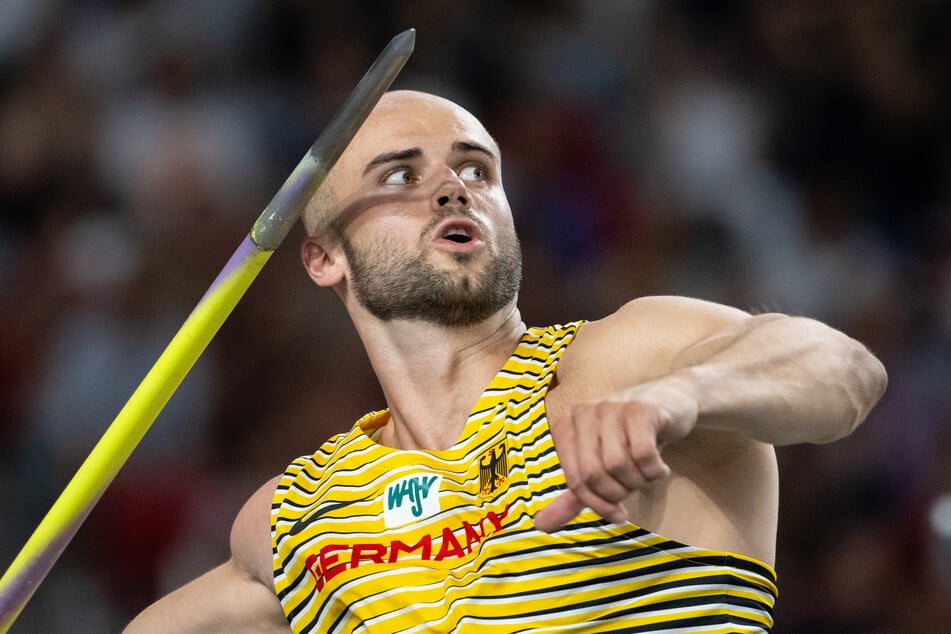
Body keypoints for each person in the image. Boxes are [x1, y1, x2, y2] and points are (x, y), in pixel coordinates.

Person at [124, 90, 887, 633]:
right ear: (324, 257)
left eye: (476, 170)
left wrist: (680, 398)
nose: (453, 188)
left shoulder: (617, 362)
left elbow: (843, 371)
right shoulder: (297, 517)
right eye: (400, 176)